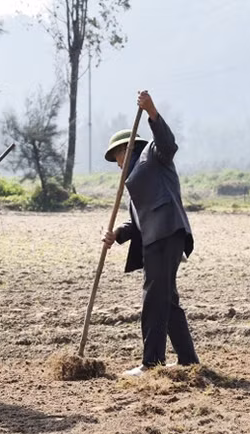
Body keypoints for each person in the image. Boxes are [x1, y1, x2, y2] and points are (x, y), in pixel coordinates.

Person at [102, 91, 199, 375]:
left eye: (118, 156)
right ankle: (188, 360)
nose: (117, 164)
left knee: (154, 300)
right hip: (156, 239)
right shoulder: (134, 181)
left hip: (166, 234)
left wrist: (152, 112)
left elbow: (168, 144)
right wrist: (117, 233)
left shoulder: (153, 156)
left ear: (128, 148)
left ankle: (151, 363)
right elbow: (138, 221)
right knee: (167, 300)